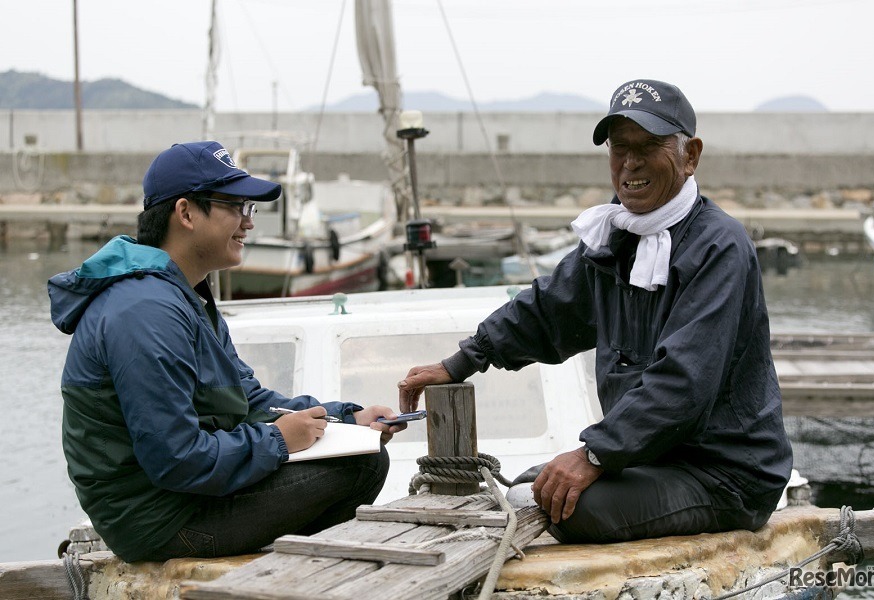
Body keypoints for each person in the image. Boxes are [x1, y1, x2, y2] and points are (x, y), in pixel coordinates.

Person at [398, 80, 792, 544]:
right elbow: (547, 310)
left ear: (690, 156)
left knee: (565, 506)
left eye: (649, 146)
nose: (631, 162)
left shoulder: (719, 246)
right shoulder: (616, 234)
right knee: (533, 487)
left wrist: (594, 454)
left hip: (725, 473)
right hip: (650, 456)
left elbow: (683, 381)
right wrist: (461, 362)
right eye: (620, 148)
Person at [49, 141, 405, 563]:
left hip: (184, 497)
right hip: (158, 520)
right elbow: (175, 459)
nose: (248, 222)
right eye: (236, 207)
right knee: (361, 467)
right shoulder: (145, 311)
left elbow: (246, 399)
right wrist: (278, 440)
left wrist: (345, 418)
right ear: (186, 213)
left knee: (363, 449)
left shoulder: (182, 296)